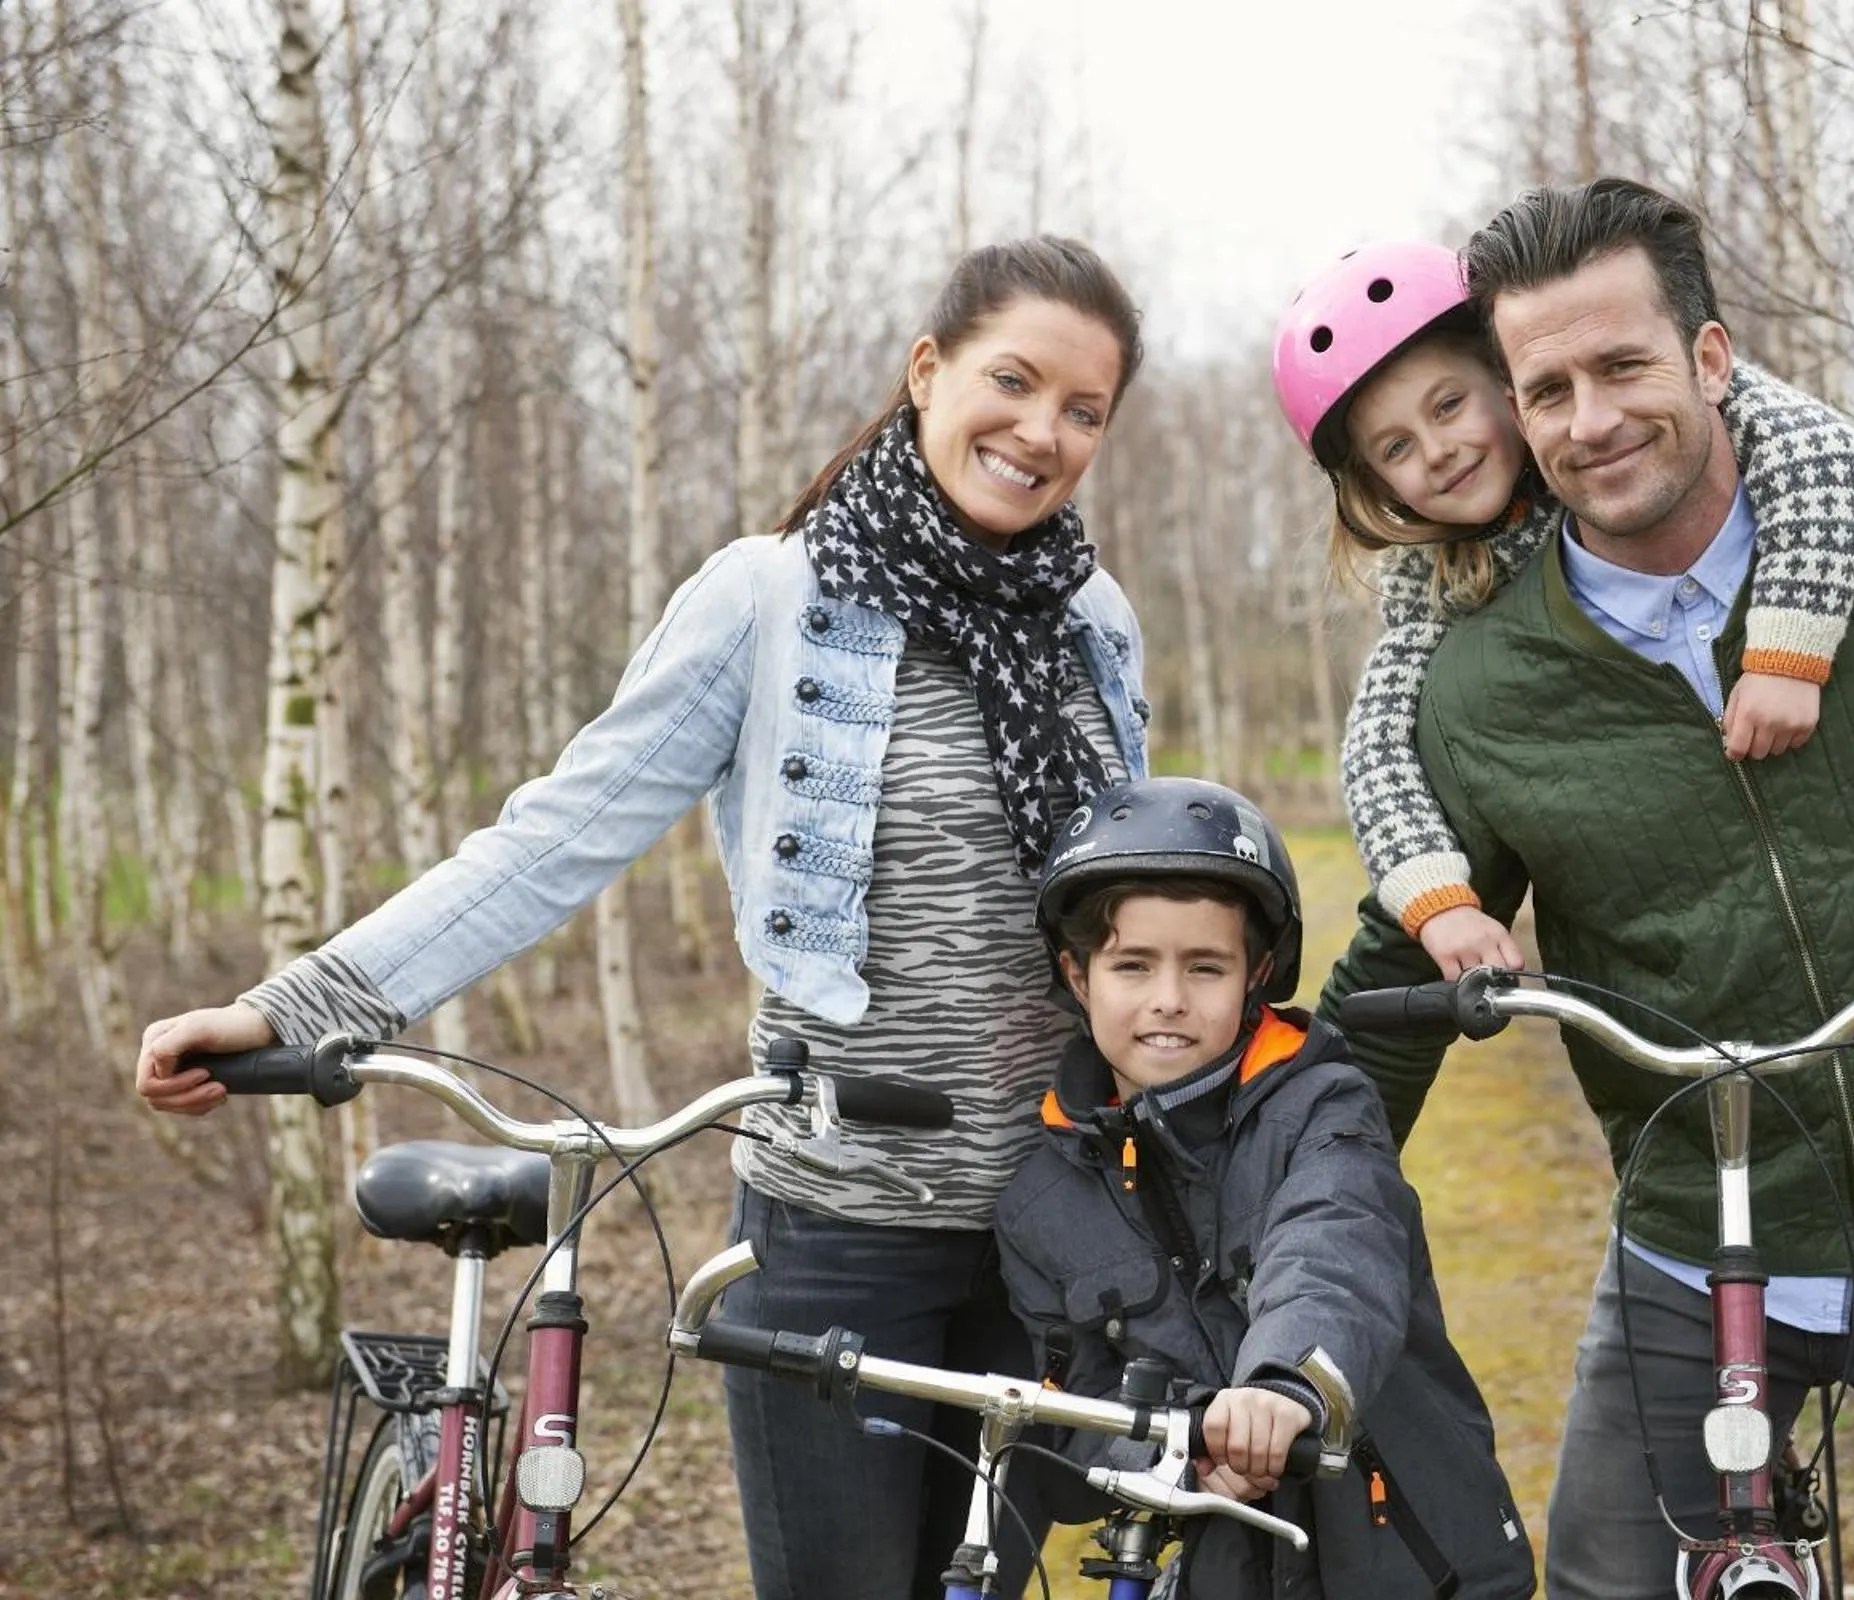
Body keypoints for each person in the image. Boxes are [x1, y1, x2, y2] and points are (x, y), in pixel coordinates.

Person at [135, 237, 1157, 1600]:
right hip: (837, 1225)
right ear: (927, 372)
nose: (1042, 432)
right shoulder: (772, 598)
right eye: (1013, 382)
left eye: (1083, 409)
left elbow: (1133, 912)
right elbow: (559, 833)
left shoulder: (1096, 619)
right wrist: (299, 1005)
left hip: (1051, 1217)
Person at [1315, 179, 1854, 1600]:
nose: (1591, 420)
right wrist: (1287, 1168)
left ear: (1710, 359)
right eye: (1548, 388)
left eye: (1623, 366)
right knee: (1602, 1584)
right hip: (1693, 1238)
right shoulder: (1480, 681)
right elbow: (1402, 966)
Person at [1271, 241, 1854, 977]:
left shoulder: (1618, 443)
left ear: (1509, 383)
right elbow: (1377, 748)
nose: (1438, 451)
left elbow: (1817, 450)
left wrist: (1787, 652)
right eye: (1397, 446)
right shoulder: (1434, 588)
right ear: (1378, 484)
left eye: (1450, 405)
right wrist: (1439, 900)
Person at [997, 776, 1534, 1600]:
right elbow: (1073, 1417)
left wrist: (1283, 1386)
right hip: (1230, 1569)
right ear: (1077, 976)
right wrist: (1177, 1457)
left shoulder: (1321, 1104)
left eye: (1205, 967)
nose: (1168, 1002)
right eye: (1132, 966)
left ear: (1258, 973)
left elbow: (1334, 1248)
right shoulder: (1040, 1197)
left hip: (1419, 1558)